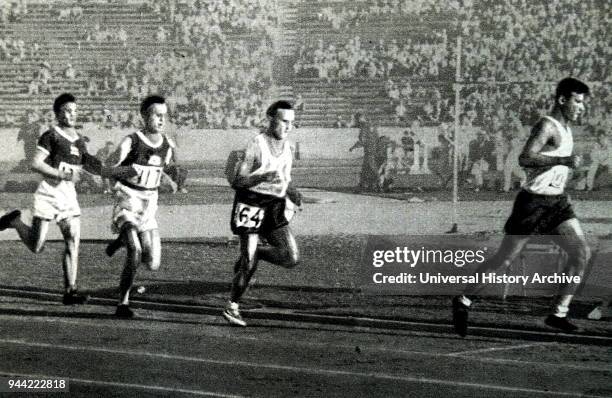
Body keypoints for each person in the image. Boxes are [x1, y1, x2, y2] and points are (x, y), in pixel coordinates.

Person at [452, 78, 592, 335]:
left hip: (557, 203)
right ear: (562, 100)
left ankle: (558, 314)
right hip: (532, 204)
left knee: (581, 254)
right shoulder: (547, 126)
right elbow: (525, 157)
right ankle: (463, 300)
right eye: (578, 101)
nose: (582, 107)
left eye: (583, 103)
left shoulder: (567, 127)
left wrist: (564, 168)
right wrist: (564, 160)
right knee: (505, 259)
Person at [0, 93, 135, 304]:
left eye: (74, 110)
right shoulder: (50, 136)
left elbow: (90, 163)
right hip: (48, 193)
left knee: (73, 240)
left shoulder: (79, 140)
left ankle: (70, 291)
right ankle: (15, 221)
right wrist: (63, 174)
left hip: (68, 195)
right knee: (37, 246)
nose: (72, 114)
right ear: (57, 114)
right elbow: (35, 163)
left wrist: (116, 172)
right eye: (67, 111)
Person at [223, 100, 302, 327]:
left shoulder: (289, 147)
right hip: (251, 203)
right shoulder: (257, 144)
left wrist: (292, 191)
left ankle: (253, 252)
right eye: (283, 121)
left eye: (291, 123)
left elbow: (283, 179)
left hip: (274, 205)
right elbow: (238, 181)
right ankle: (232, 306)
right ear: (270, 120)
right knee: (248, 261)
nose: (288, 127)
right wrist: (260, 177)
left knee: (290, 257)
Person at [105, 95, 176, 318]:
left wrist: (167, 180)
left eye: (164, 116)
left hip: (148, 206)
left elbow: (157, 169)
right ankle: (122, 304)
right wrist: (117, 184)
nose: (161, 120)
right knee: (135, 252)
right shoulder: (131, 141)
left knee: (152, 263)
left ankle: (121, 240)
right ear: (144, 116)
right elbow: (108, 168)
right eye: (157, 115)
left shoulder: (167, 145)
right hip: (128, 201)